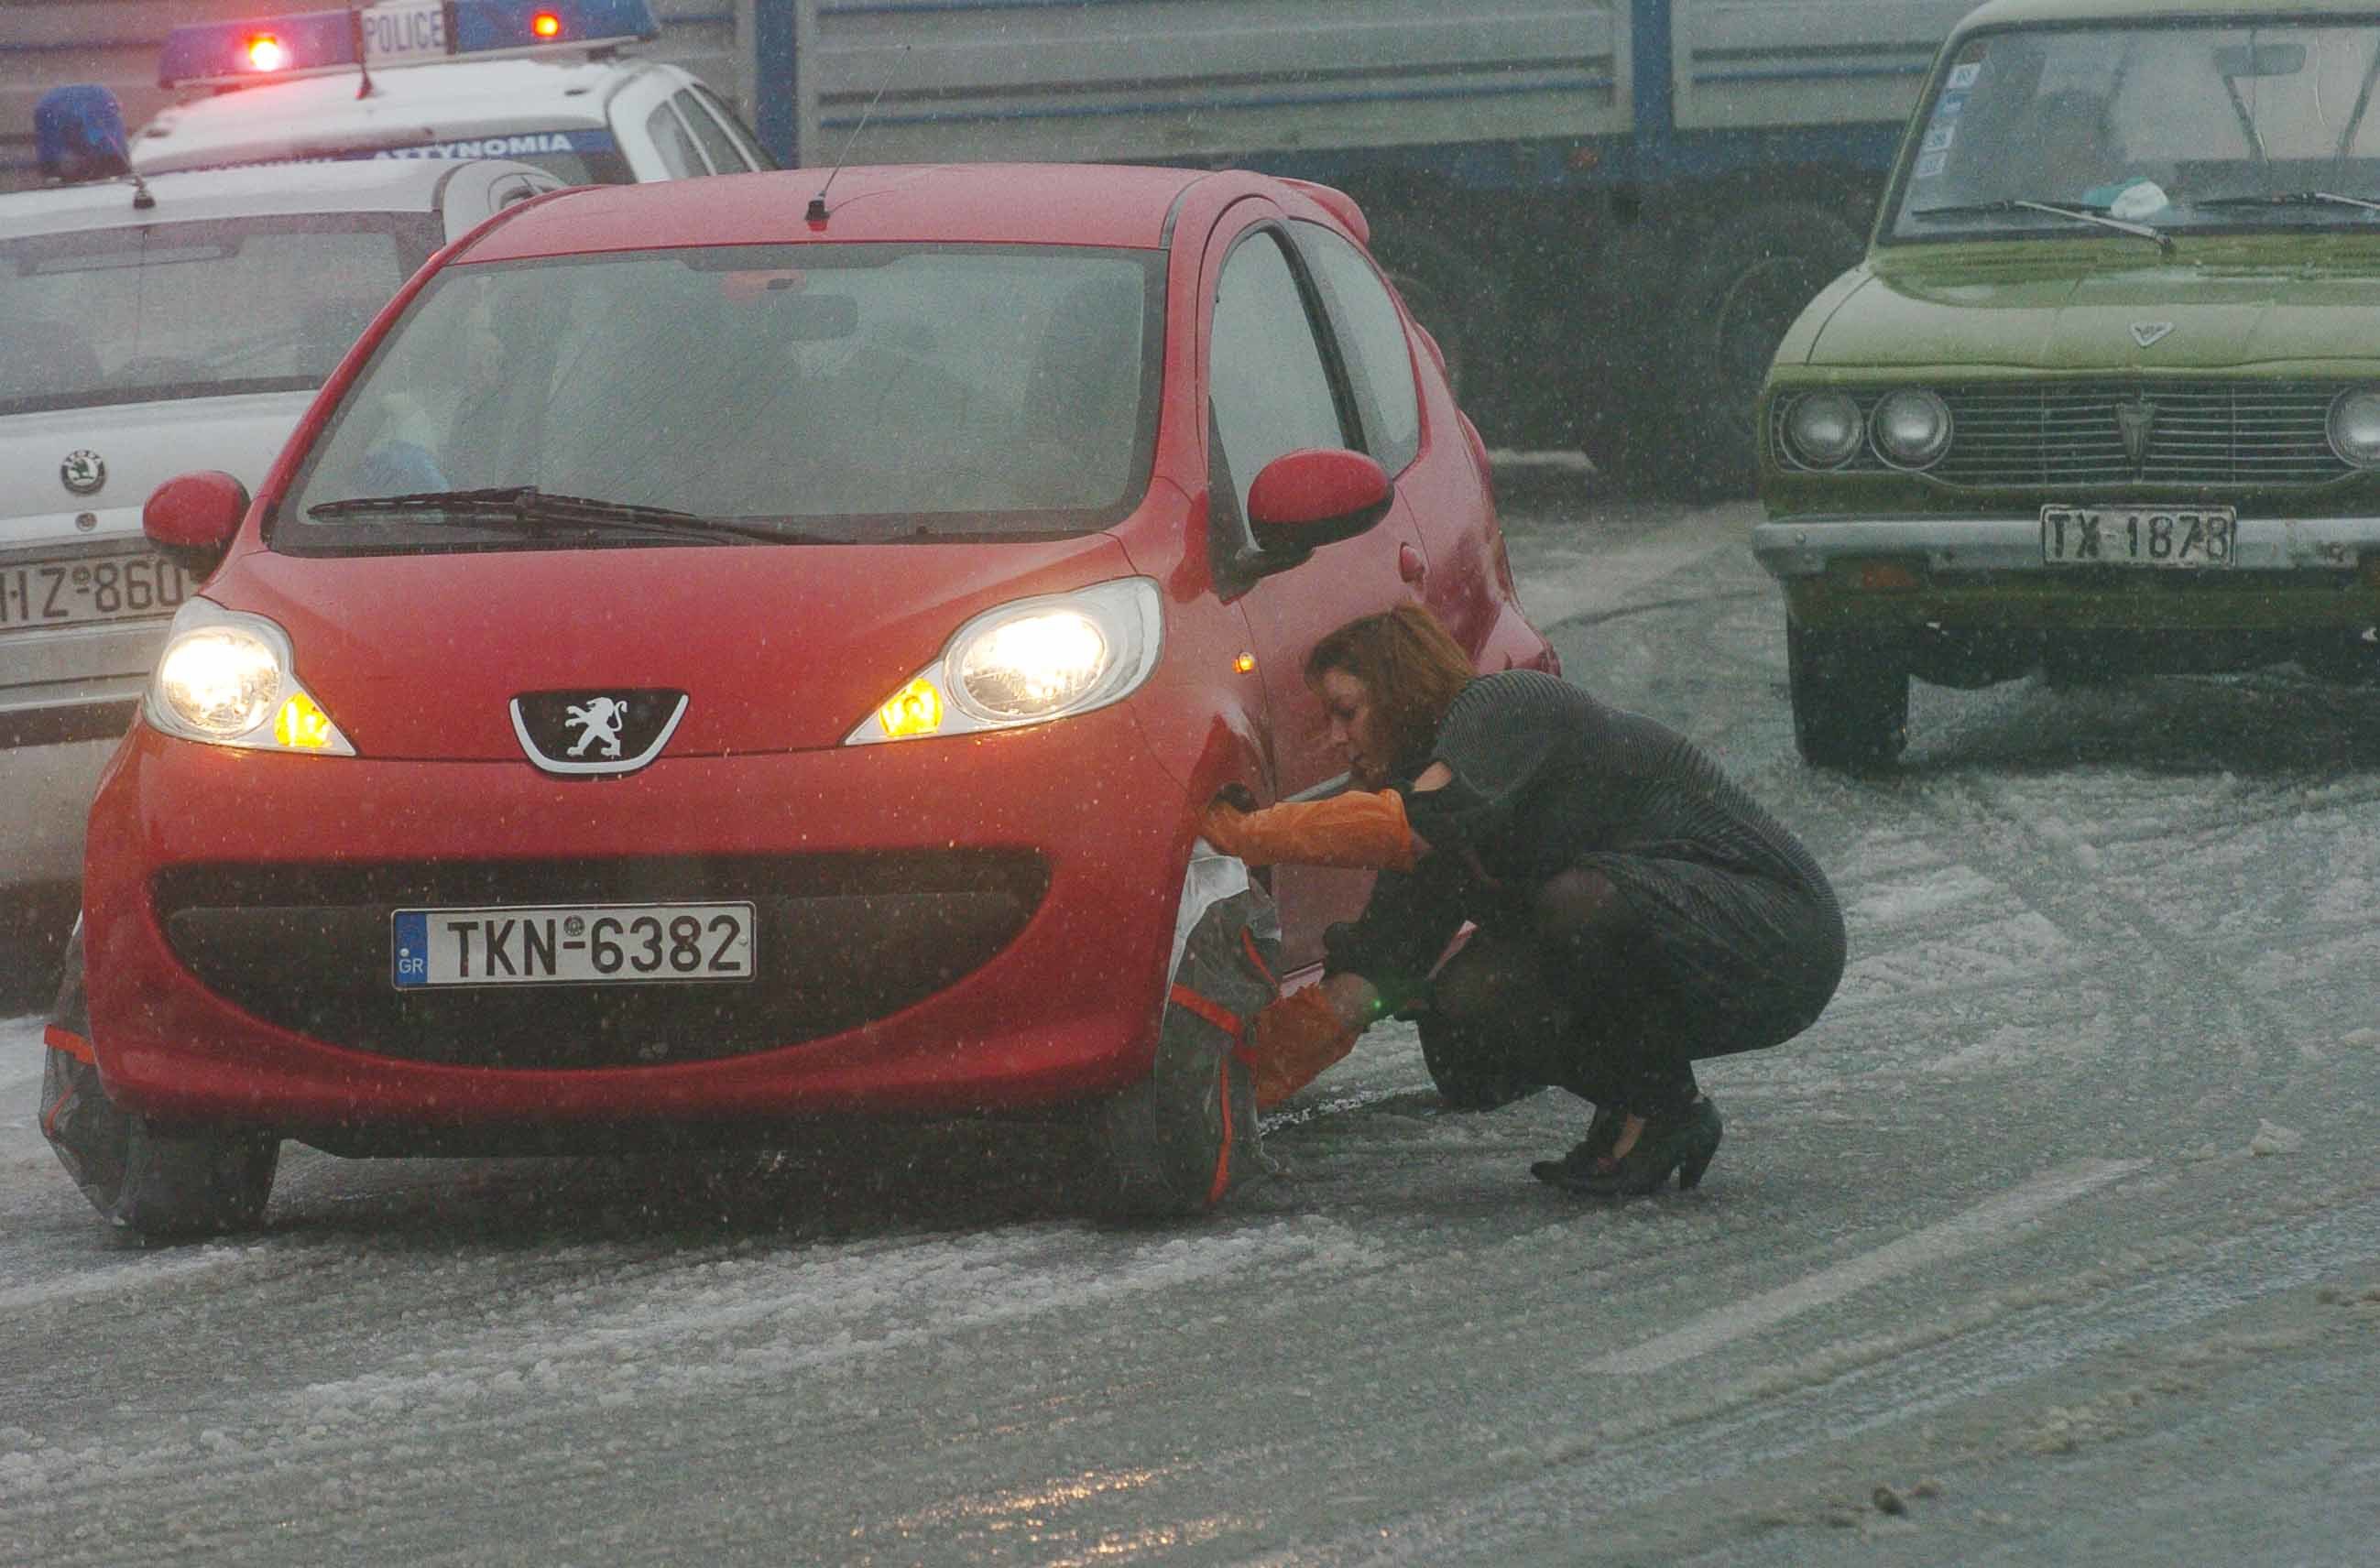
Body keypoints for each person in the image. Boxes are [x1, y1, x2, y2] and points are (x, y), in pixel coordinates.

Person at [1203, 604, 1846, 1196]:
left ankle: (1663, 1110)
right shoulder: (1435, 827)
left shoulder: (1504, 706)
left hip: (1780, 935)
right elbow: (1370, 979)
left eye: (1347, 711)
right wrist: (1215, 1097)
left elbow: (1417, 820)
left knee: (1578, 904)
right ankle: (1645, 1106)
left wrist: (1244, 833)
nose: (1337, 739)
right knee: (1464, 1016)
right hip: (1674, 948)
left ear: (1400, 694)